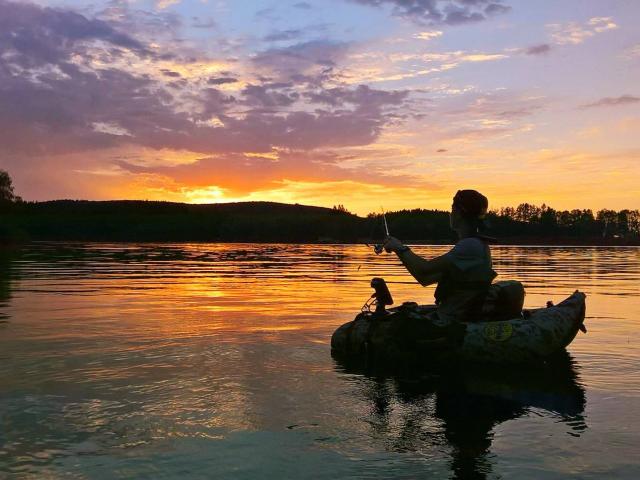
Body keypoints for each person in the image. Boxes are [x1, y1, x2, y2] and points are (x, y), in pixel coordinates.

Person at [383, 190, 497, 325]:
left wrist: (400, 247)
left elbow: (425, 269)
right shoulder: (475, 244)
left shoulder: (470, 245)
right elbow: (424, 278)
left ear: (459, 213)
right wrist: (399, 251)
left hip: (453, 319)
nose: (450, 213)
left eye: (452, 208)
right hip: (457, 315)